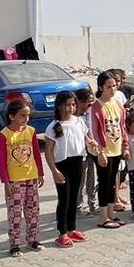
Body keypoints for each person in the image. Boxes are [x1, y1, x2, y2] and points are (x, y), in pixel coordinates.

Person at [0, 99, 46, 256]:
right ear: (12, 116)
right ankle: (15, 244)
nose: (25, 119)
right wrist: (6, 182)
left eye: (28, 115)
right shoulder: (4, 135)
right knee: (15, 213)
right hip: (14, 180)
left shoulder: (30, 131)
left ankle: (32, 239)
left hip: (31, 177)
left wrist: (40, 172)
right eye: (22, 115)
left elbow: (37, 153)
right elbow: (1, 161)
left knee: (33, 210)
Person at [44, 91, 91, 248]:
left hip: (77, 161)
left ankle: (72, 229)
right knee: (64, 199)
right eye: (67, 105)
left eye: (73, 104)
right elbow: (49, 151)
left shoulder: (79, 122)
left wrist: (92, 143)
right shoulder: (54, 126)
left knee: (74, 197)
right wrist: (54, 170)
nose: (70, 108)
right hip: (62, 165)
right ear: (59, 106)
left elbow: (85, 138)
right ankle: (62, 232)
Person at [92, 71, 130, 224]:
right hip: (104, 151)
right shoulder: (96, 107)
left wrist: (125, 146)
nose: (112, 89)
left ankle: (111, 213)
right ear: (101, 87)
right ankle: (103, 217)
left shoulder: (118, 104)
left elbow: (122, 127)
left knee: (113, 182)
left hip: (116, 148)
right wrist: (100, 152)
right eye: (108, 87)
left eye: (114, 86)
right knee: (104, 182)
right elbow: (94, 132)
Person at [74, 87, 99, 216]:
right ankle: (78, 206)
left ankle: (92, 204)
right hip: (79, 153)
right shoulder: (74, 118)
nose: (87, 105)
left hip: (91, 152)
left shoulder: (89, 114)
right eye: (84, 102)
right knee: (80, 180)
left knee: (91, 178)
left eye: (90, 102)